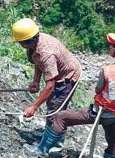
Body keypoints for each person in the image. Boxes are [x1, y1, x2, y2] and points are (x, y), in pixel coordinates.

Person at [30, 28, 115, 158]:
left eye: (113, 45)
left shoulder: (107, 71)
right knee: (114, 141)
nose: (110, 47)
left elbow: (98, 89)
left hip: (100, 112)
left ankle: (41, 150)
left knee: (60, 117)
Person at [12, 18, 81, 147]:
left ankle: (52, 146)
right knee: (51, 105)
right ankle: (49, 135)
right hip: (58, 71)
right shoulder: (34, 44)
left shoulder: (46, 53)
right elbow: (38, 63)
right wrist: (36, 82)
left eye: (20, 42)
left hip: (68, 76)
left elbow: (50, 85)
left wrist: (34, 107)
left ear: (25, 41)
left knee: (55, 110)